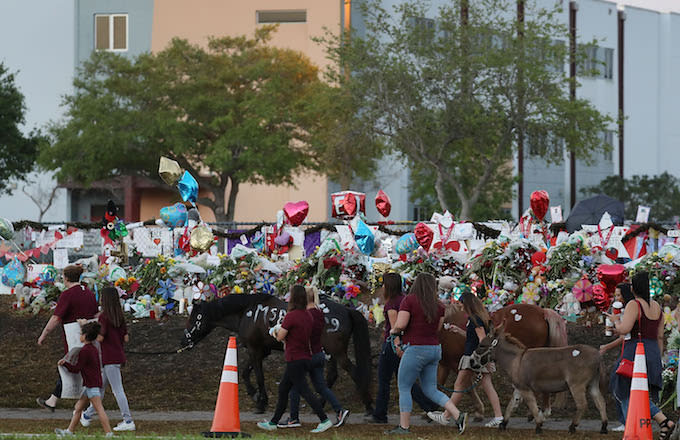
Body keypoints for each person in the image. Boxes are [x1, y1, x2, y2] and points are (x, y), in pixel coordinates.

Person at [388, 272, 467, 435]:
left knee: (404, 387)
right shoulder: (439, 305)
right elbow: (438, 329)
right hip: (434, 349)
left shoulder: (409, 300)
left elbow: (401, 325)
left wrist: (393, 331)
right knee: (431, 389)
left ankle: (404, 427)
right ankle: (458, 415)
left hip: (415, 348)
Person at [257, 285, 333, 433]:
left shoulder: (291, 316)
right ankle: (273, 422)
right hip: (305, 356)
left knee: (305, 391)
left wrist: (274, 331)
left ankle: (324, 419)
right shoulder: (308, 315)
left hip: (294, 358)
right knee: (284, 388)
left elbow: (280, 336)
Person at [609, 272, 675, 440]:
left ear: (633, 288)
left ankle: (633, 429)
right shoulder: (657, 307)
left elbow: (624, 329)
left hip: (636, 352)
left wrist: (615, 320)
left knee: (625, 391)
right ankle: (662, 423)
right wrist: (658, 358)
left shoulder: (634, 304)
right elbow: (660, 336)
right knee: (642, 392)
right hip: (653, 351)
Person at [366, 272, 438, 424]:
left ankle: (380, 414)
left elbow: (395, 328)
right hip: (407, 343)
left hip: (392, 346)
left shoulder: (391, 304)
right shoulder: (405, 299)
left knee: (384, 380)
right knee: (408, 381)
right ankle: (430, 407)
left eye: (384, 284)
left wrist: (396, 345)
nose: (382, 287)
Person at [280, 286, 350, 428]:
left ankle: (294, 418)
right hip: (319, 353)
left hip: (306, 354)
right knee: (321, 387)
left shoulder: (304, 314)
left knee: (294, 386)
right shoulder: (319, 313)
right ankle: (339, 410)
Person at [436, 291, 503, 427]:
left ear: (467, 305)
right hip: (477, 356)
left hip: (472, 357)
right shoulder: (477, 318)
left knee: (459, 386)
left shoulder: (474, 319)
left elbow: (482, 340)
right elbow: (473, 338)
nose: (460, 308)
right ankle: (498, 416)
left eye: (461, 305)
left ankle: (446, 416)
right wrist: (459, 331)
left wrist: (484, 359)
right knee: (485, 386)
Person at [37, 265, 98, 411]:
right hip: (90, 335)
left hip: (74, 336)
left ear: (66, 278)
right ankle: (54, 400)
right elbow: (96, 314)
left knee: (70, 365)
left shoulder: (67, 295)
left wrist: (43, 334)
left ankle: (88, 404)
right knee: (81, 366)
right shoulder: (88, 293)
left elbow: (56, 318)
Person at [80, 287, 135, 431]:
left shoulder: (104, 317)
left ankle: (128, 420)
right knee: (100, 388)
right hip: (117, 356)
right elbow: (126, 338)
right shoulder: (119, 316)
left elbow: (100, 337)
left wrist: (86, 329)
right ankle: (87, 415)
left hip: (108, 358)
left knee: (117, 390)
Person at [55, 322, 112, 437]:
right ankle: (69, 431)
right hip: (91, 384)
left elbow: (77, 369)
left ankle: (109, 433)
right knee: (78, 408)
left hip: (92, 385)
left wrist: (65, 364)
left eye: (81, 334)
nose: (79, 336)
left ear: (85, 336)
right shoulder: (93, 349)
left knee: (99, 409)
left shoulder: (85, 351)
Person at [600, 283, 634, 432]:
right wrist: (615, 329)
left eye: (619, 295)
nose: (616, 298)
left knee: (618, 384)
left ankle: (626, 421)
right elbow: (622, 334)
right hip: (625, 352)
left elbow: (624, 336)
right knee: (618, 384)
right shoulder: (623, 311)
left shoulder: (629, 311)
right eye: (615, 295)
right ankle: (625, 420)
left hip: (628, 353)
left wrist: (606, 347)